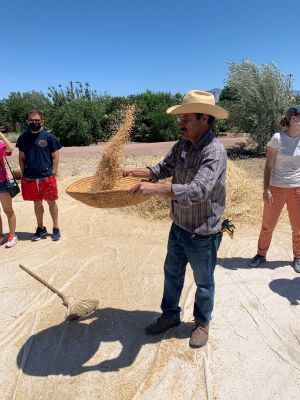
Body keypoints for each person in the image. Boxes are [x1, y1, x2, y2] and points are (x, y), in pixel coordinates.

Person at [121, 90, 228, 348]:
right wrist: (128, 171)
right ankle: (170, 316)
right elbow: (161, 169)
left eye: (186, 118)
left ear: (205, 119)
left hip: (202, 232)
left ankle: (202, 323)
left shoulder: (214, 151)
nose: (180, 123)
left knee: (203, 283)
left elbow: (198, 190)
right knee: (172, 274)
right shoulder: (181, 145)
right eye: (180, 118)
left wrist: (155, 190)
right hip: (179, 226)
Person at [248, 105, 300, 273]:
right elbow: (268, 166)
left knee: (298, 227)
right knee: (267, 225)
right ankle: (261, 254)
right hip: (276, 188)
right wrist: (266, 189)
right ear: (293, 118)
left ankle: (298, 257)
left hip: (297, 189)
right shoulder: (277, 138)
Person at [16, 109, 62, 241]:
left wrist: (54, 172)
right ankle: (41, 228)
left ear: (42, 121)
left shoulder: (49, 137)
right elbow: (21, 157)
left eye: (37, 120)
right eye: (31, 120)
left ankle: (56, 228)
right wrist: (24, 173)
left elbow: (55, 156)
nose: (34, 122)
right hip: (31, 177)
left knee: (51, 202)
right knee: (37, 203)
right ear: (27, 121)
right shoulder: (23, 137)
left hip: (46, 177)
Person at [0, 126, 17, 248]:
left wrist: (0, 135)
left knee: (8, 210)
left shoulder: (0, 144)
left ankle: (12, 235)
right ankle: (1, 236)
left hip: (2, 182)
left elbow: (11, 148)